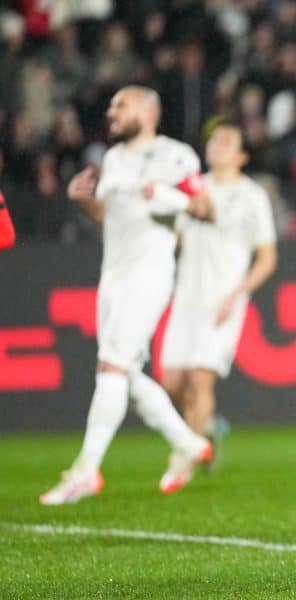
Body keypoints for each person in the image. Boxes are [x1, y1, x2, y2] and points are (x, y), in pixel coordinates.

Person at [40, 86, 214, 506]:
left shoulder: (176, 156)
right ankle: (188, 444)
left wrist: (172, 198)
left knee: (113, 366)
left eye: (121, 105)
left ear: (148, 111)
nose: (111, 111)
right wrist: (86, 204)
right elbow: (114, 220)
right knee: (127, 375)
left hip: (150, 273)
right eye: (112, 105)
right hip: (113, 275)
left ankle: (86, 470)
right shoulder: (113, 160)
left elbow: (205, 209)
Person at [160, 121, 278, 469]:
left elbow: (267, 256)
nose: (217, 145)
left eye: (226, 141)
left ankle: (184, 460)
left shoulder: (252, 196)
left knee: (200, 378)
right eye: (213, 140)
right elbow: (176, 240)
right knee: (171, 385)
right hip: (186, 298)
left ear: (242, 156)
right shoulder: (191, 191)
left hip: (223, 300)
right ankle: (206, 429)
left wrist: (238, 294)